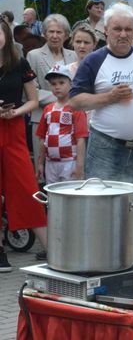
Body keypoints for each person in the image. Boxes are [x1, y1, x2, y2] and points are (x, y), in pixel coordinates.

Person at [69, 3, 133, 202]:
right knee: (101, 204)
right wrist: (109, 97)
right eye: (117, 29)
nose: (123, 34)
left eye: (128, 29)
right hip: (106, 146)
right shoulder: (93, 60)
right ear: (106, 30)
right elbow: (75, 101)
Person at [0, 18, 48, 270]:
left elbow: (33, 99)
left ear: (6, 35)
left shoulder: (19, 63)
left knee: (28, 187)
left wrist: (16, 112)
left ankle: (52, 249)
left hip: (13, 128)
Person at [27, 14, 77, 173]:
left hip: (70, 119)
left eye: (59, 32)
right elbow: (31, 91)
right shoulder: (33, 55)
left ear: (67, 35)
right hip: (42, 118)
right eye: (51, 32)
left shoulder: (73, 55)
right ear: (44, 33)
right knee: (42, 170)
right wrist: (62, 99)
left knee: (69, 168)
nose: (55, 36)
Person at [36, 66, 88, 184]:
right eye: (53, 84)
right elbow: (42, 138)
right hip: (50, 163)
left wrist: (79, 165)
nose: (57, 87)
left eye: (61, 83)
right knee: (52, 195)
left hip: (70, 162)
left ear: (71, 84)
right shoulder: (48, 109)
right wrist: (40, 163)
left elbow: (81, 139)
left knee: (70, 195)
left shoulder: (76, 108)